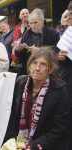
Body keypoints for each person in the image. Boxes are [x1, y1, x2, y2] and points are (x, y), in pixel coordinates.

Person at [4, 47, 70, 150]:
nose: (37, 68)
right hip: (18, 143)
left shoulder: (59, 91)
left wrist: (34, 146)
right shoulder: (20, 83)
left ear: (51, 69)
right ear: (29, 65)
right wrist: (12, 141)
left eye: (43, 64)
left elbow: (59, 128)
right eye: (34, 63)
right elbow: (11, 115)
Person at [15, 8, 60, 75]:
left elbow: (56, 54)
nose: (33, 26)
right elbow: (21, 56)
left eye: (35, 22)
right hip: (28, 72)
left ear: (42, 22)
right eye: (30, 23)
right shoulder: (26, 34)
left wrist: (39, 51)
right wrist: (18, 50)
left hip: (46, 73)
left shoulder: (53, 34)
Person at [57, 2, 72, 149]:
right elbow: (57, 53)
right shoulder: (68, 33)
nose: (69, 18)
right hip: (67, 81)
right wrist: (59, 56)